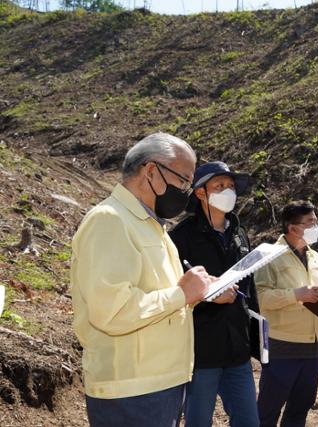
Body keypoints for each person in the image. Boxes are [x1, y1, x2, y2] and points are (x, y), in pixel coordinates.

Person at [70, 133, 213, 427]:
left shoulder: (152, 227)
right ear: (151, 172)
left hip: (157, 383)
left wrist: (198, 293)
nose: (186, 191)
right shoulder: (110, 220)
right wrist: (181, 295)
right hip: (131, 390)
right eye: (184, 180)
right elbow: (113, 311)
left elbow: (159, 299)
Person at [169, 161, 259, 427]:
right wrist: (208, 295)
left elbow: (250, 289)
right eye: (219, 186)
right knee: (198, 421)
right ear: (200, 192)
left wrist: (255, 331)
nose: (228, 191)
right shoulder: (181, 237)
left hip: (237, 350)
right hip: (201, 351)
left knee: (248, 420)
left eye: (231, 186)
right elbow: (172, 290)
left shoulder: (239, 234)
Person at [254, 200, 318, 427]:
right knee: (267, 411)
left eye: (316, 221)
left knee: (299, 410)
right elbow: (261, 299)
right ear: (293, 228)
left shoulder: (316, 257)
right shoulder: (269, 256)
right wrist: (296, 295)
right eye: (310, 223)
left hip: (314, 348)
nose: (317, 226)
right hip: (282, 347)